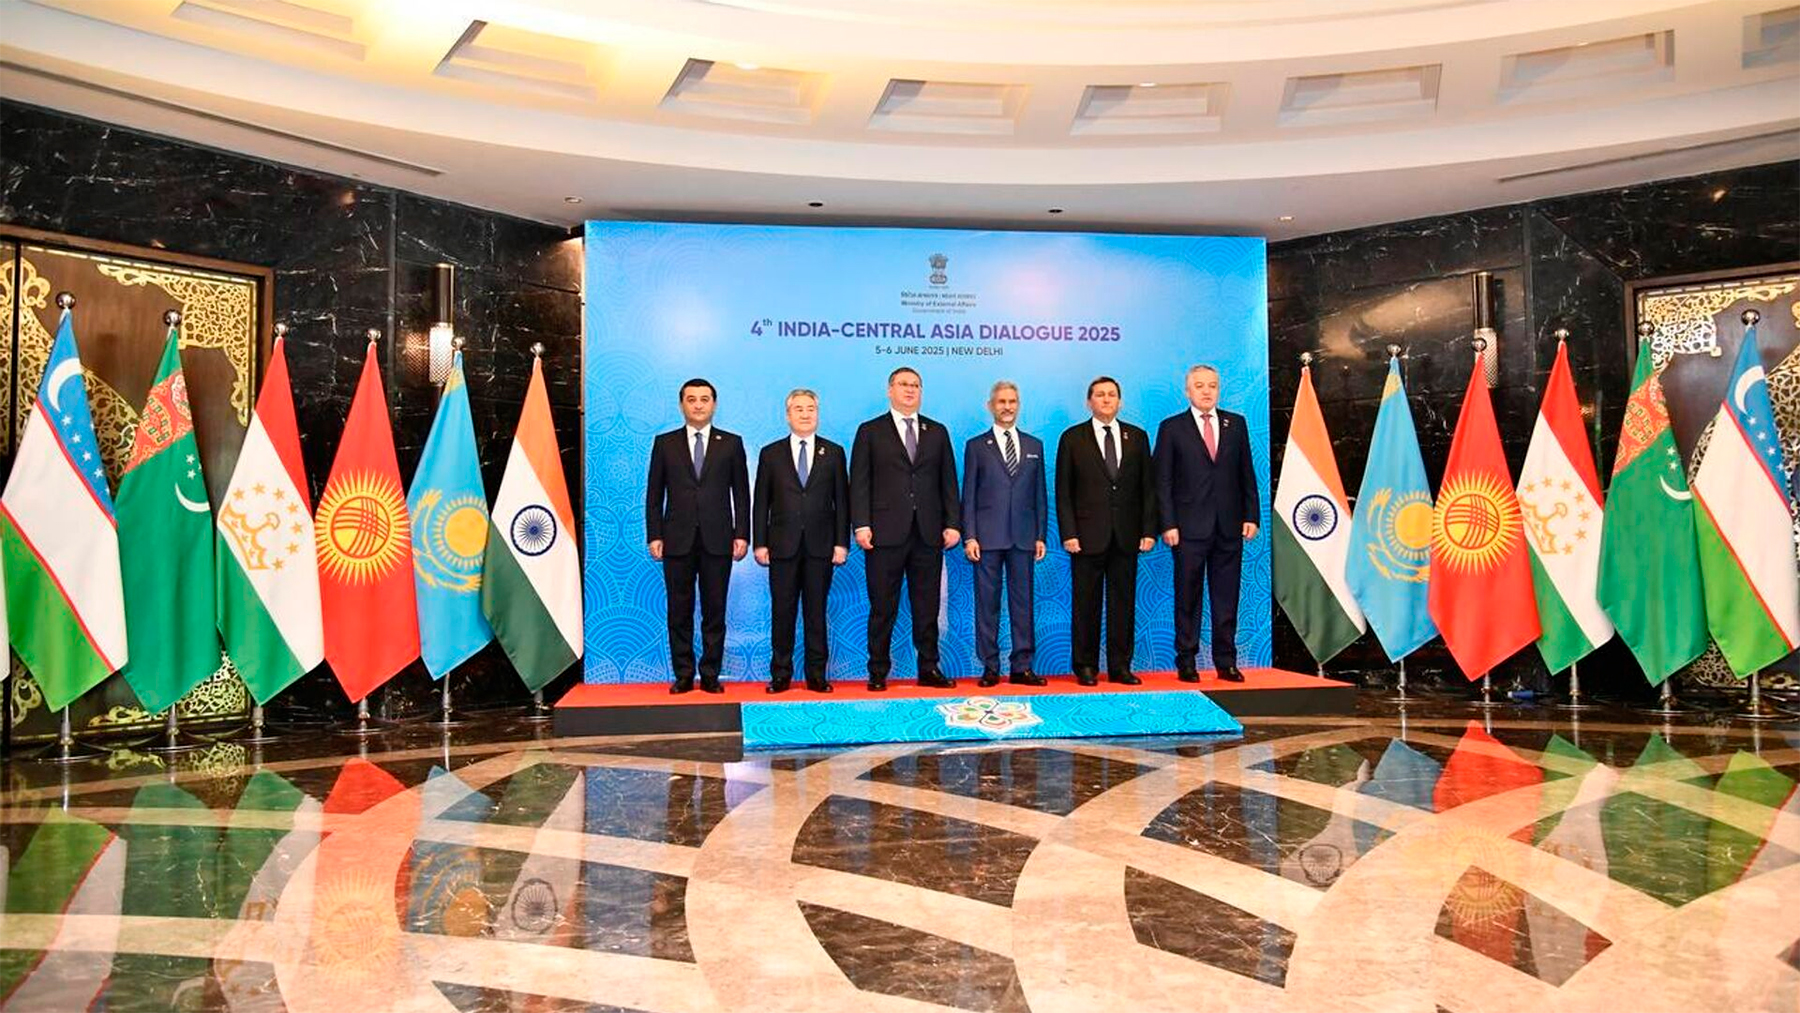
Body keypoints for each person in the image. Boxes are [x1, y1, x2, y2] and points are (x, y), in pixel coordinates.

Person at [849, 366, 960, 691]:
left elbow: (948, 481)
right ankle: (877, 671)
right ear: (890, 390)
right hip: (883, 534)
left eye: (915, 385)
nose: (910, 390)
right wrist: (861, 524)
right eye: (903, 384)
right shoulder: (870, 431)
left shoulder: (937, 431)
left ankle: (929, 668)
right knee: (883, 607)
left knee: (927, 607)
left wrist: (952, 524)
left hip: (928, 533)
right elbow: (859, 482)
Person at [1155, 364, 1259, 683]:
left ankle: (1226, 661)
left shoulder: (1236, 424)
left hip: (1229, 526)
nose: (1206, 391)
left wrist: (1251, 515)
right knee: (1188, 598)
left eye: (1212, 385)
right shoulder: (1172, 428)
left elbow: (1246, 473)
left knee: (1226, 598)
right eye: (1199, 386)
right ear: (1187, 391)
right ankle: (1186, 661)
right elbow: (1162, 481)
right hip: (1187, 529)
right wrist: (1167, 524)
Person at [645, 378, 749, 693]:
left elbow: (741, 494)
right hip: (676, 539)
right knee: (679, 611)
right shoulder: (665, 443)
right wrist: (654, 534)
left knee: (715, 611)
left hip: (719, 539)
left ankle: (711, 674)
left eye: (705, 399)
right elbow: (654, 494)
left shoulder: (731, 443)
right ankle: (683, 674)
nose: (698, 405)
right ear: (682, 405)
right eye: (692, 399)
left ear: (714, 404)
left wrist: (741, 534)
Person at [1054, 376, 1158, 686]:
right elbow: (1063, 491)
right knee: (1085, 604)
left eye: (1112, 394)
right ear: (1089, 402)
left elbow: (1148, 488)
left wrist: (1148, 530)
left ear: (1120, 402)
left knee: (1122, 604)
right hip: (1085, 537)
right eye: (1100, 394)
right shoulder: (1072, 438)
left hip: (1127, 535)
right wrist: (1069, 533)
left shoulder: (1137, 437)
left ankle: (1120, 667)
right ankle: (1085, 666)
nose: (1106, 399)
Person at [752, 388, 849, 693]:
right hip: (782, 546)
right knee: (783, 612)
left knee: (816, 612)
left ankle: (816, 675)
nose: (805, 414)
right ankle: (781, 674)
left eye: (810, 409)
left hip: (821, 547)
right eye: (799, 409)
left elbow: (842, 502)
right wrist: (760, 543)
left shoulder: (834, 452)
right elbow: (761, 503)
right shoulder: (771, 453)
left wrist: (841, 543)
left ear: (817, 414)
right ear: (788, 415)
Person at [961, 381, 1048, 687]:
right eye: (1001, 401)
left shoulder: (1035, 445)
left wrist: (1040, 535)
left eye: (1012, 401)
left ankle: (1022, 667)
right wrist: (970, 536)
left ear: (1018, 405)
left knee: (1023, 604)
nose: (1007, 407)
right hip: (986, 539)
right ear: (991, 406)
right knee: (987, 605)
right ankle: (990, 666)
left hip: (1024, 538)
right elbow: (968, 495)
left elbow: (1040, 494)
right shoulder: (976, 446)